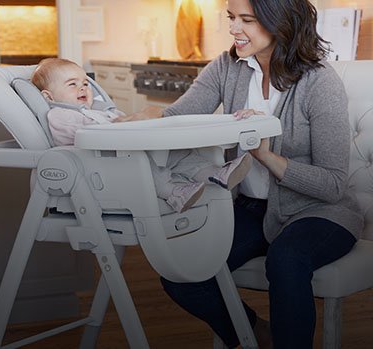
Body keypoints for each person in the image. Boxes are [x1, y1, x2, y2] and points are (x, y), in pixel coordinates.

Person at [155, 0, 364, 348]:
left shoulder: (319, 82)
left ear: (279, 20)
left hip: (320, 212)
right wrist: (135, 120)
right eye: (231, 18)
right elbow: (177, 121)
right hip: (252, 208)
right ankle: (255, 333)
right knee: (181, 271)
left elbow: (332, 184)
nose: (234, 29)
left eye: (247, 20)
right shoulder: (226, 67)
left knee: (287, 260)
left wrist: (265, 155)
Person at [31, 58, 252, 213]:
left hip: (127, 151)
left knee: (179, 152)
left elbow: (125, 124)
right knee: (142, 164)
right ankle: (173, 192)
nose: (83, 88)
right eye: (72, 84)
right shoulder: (59, 116)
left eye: (86, 83)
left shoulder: (103, 111)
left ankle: (215, 173)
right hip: (105, 168)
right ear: (49, 95)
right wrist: (116, 127)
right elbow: (81, 136)